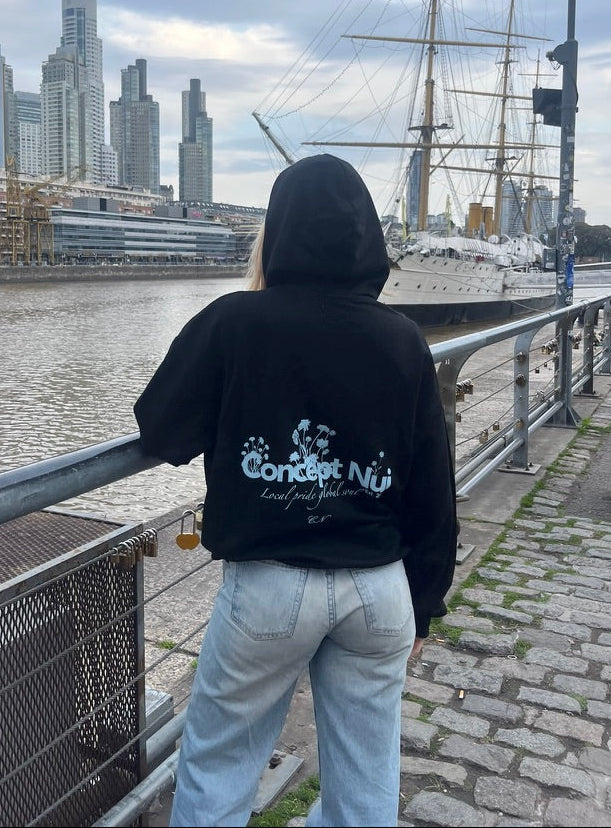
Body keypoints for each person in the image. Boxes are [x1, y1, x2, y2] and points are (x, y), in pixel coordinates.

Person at [133, 153, 457, 827]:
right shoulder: (403, 340)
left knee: (219, 768)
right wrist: (424, 606)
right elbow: (433, 492)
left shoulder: (234, 322)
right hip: (379, 589)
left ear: (276, 232)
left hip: (269, 586)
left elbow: (162, 430)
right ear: (367, 240)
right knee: (365, 783)